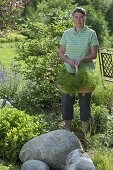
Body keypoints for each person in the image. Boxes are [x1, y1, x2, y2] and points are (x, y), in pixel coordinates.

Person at [59, 7, 99, 136]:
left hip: (85, 74)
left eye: (81, 17)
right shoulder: (67, 33)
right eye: (76, 17)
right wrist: (68, 60)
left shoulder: (91, 33)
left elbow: (94, 55)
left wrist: (82, 59)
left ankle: (84, 132)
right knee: (66, 99)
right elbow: (61, 53)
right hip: (68, 72)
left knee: (84, 101)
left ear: (85, 18)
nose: (79, 20)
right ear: (73, 19)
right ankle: (68, 130)